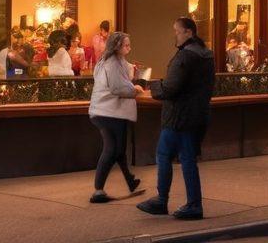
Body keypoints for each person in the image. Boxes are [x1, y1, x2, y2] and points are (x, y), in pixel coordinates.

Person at [137, 16, 215, 221]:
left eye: (177, 31)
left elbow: (171, 88)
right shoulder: (206, 55)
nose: (175, 35)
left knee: (166, 155)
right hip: (197, 114)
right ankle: (181, 202)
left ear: (189, 32)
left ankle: (174, 201)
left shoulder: (185, 57)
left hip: (179, 116)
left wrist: (153, 86)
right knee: (186, 159)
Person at [88, 31, 143, 203]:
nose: (129, 47)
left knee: (118, 150)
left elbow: (125, 75)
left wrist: (134, 72)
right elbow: (118, 87)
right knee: (112, 149)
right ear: (117, 46)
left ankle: (130, 180)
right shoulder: (111, 63)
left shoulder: (113, 61)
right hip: (109, 111)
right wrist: (136, 90)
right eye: (126, 45)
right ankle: (98, 190)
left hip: (106, 111)